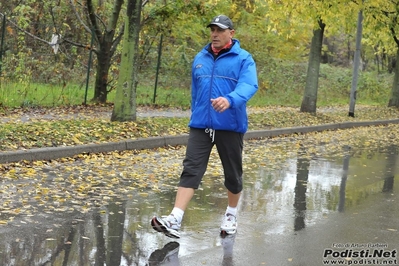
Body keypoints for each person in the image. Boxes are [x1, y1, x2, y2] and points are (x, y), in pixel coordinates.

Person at [151, 14, 258, 239]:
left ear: (231, 33)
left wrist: (230, 99)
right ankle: (175, 218)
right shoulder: (200, 57)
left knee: (232, 173)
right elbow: (195, 91)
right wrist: (197, 112)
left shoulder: (243, 58)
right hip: (201, 125)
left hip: (229, 125)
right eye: (212, 30)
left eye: (220, 30)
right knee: (191, 168)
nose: (215, 34)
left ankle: (231, 214)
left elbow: (249, 85)